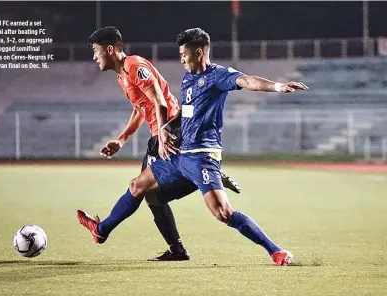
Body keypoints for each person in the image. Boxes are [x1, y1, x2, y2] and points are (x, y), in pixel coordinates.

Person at [78, 27, 308, 265]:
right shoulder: (188, 79)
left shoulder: (217, 75)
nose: (181, 60)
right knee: (139, 187)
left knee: (223, 213)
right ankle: (105, 230)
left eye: (184, 55)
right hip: (180, 153)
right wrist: (162, 129)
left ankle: (276, 251)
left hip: (200, 155)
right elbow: (179, 113)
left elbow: (247, 80)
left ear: (199, 53)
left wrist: (278, 87)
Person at [87, 26, 241, 261]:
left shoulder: (134, 66)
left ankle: (101, 231)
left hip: (172, 129)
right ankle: (176, 248)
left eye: (96, 51)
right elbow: (142, 107)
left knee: (140, 188)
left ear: (110, 49)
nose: (94, 57)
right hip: (164, 131)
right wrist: (121, 139)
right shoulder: (122, 75)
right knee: (150, 194)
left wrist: (162, 133)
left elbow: (158, 98)